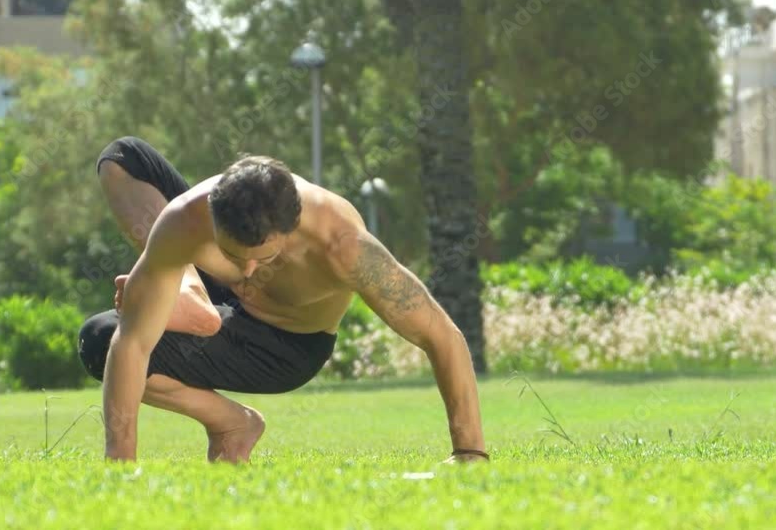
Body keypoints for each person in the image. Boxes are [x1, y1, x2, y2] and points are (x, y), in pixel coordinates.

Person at [78, 136, 487, 464]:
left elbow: (441, 335)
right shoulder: (184, 219)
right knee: (124, 157)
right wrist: (120, 464)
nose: (250, 272)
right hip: (219, 298)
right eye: (235, 256)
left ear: (290, 229)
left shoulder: (343, 247)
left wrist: (470, 452)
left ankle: (232, 420)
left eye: (265, 257)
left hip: (282, 347)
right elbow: (132, 342)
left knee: (104, 337)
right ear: (212, 217)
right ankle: (187, 292)